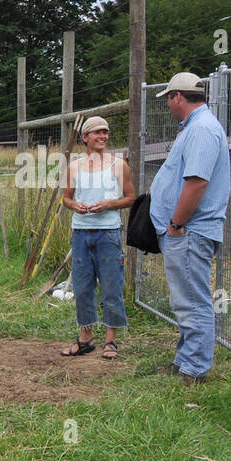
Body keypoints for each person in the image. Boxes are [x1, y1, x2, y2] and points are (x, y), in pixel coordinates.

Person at [149, 72, 231, 385]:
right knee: (185, 300)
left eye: (169, 99)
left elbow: (196, 183)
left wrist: (176, 224)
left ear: (177, 97)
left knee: (194, 301)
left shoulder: (202, 129)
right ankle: (185, 360)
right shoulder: (197, 127)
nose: (169, 105)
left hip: (190, 231)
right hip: (187, 231)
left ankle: (195, 369)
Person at [59, 116, 136, 360]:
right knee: (82, 287)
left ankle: (111, 340)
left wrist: (109, 204)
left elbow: (131, 197)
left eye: (106, 132)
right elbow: (66, 198)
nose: (103, 136)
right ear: (85, 138)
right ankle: (86, 339)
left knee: (111, 286)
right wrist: (75, 206)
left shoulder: (118, 165)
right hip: (81, 233)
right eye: (97, 133)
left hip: (108, 233)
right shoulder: (74, 167)